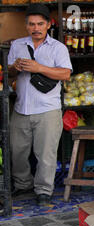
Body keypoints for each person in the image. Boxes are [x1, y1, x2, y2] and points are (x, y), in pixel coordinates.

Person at [7, 3, 72, 206]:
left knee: (46, 154)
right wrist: (14, 68)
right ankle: (23, 184)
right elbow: (8, 74)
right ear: (26, 26)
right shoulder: (17, 45)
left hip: (47, 110)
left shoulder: (58, 48)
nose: (36, 28)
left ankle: (44, 190)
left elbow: (65, 73)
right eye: (32, 24)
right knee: (16, 151)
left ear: (48, 25)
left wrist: (38, 67)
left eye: (40, 24)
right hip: (21, 108)